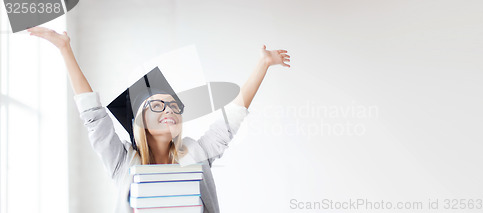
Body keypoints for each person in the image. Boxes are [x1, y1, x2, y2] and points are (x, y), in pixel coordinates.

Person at [27, 26, 291, 213]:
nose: (170, 110)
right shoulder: (123, 162)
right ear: (139, 121)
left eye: (174, 105)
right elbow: (94, 116)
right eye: (158, 105)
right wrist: (65, 49)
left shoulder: (196, 154)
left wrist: (263, 65)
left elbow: (229, 120)